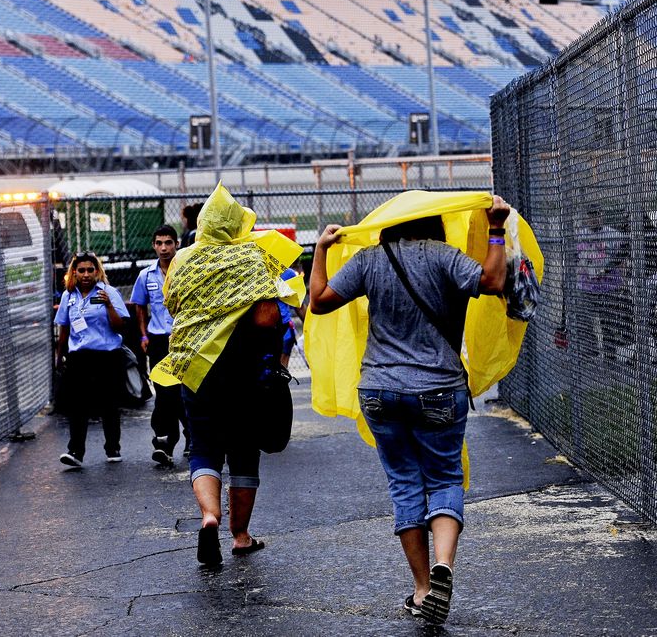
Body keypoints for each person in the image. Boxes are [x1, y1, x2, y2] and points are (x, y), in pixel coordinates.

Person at [308, 196, 511, 625]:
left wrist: (322, 249)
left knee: (404, 484)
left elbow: (320, 301)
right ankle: (444, 568)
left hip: (380, 390)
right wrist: (495, 227)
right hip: (439, 389)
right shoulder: (445, 257)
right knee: (444, 478)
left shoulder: (369, 260)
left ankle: (422, 590)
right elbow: (494, 281)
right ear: (436, 223)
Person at [152, 185, 301, 567]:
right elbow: (268, 318)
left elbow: (172, 304)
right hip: (244, 371)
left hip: (195, 368)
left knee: (203, 446)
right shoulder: (252, 256)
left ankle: (208, 516)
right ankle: (240, 535)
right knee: (244, 452)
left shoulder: (183, 259)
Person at [54, 252, 130, 468]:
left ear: (97, 271)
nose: (86, 274)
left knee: (109, 403)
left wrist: (108, 306)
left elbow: (120, 326)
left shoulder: (108, 292)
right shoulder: (69, 296)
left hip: (107, 355)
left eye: (90, 270)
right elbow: (64, 329)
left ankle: (113, 447)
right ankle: (76, 451)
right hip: (79, 356)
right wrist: (59, 358)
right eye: (81, 270)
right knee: (77, 405)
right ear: (74, 273)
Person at [130, 224, 188, 466]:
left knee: (185, 389)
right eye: (159, 243)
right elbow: (139, 306)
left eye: (168, 243)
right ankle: (164, 441)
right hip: (159, 340)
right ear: (154, 245)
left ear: (177, 244)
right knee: (164, 391)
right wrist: (144, 335)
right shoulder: (146, 275)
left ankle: (192, 436)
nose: (164, 248)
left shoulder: (186, 270)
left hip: (185, 339)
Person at [575, 203, 630, 358]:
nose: (594, 218)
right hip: (587, 286)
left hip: (609, 285)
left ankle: (609, 353)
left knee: (608, 321)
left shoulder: (613, 234)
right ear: (586, 217)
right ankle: (590, 350)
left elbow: (622, 259)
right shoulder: (580, 235)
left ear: (602, 216)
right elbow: (576, 259)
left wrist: (623, 281)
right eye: (591, 215)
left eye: (597, 215)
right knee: (586, 320)